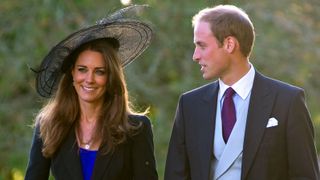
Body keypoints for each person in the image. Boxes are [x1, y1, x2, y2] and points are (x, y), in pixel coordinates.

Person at [165, 4, 319, 180]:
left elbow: (305, 176)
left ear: (229, 44)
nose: (195, 56)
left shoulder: (288, 101)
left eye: (202, 46)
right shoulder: (189, 105)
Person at [25, 5, 158, 180]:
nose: (89, 79)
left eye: (99, 71)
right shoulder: (49, 125)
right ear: (72, 73)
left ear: (110, 77)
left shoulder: (136, 129)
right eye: (82, 69)